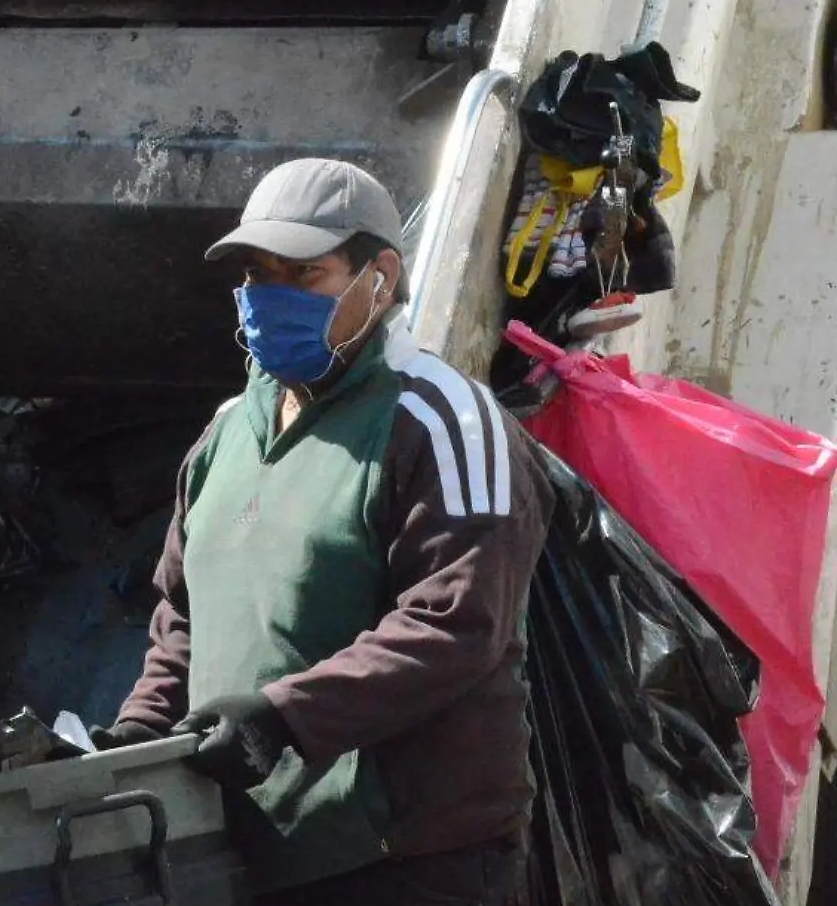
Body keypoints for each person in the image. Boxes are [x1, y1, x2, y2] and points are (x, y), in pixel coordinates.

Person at [92, 158, 551, 906]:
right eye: (254, 276)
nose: (269, 299)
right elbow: (183, 614)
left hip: (405, 860)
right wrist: (143, 728)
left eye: (304, 275)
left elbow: (459, 623)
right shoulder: (224, 435)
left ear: (380, 277)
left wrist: (285, 717)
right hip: (250, 853)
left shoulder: (442, 420)